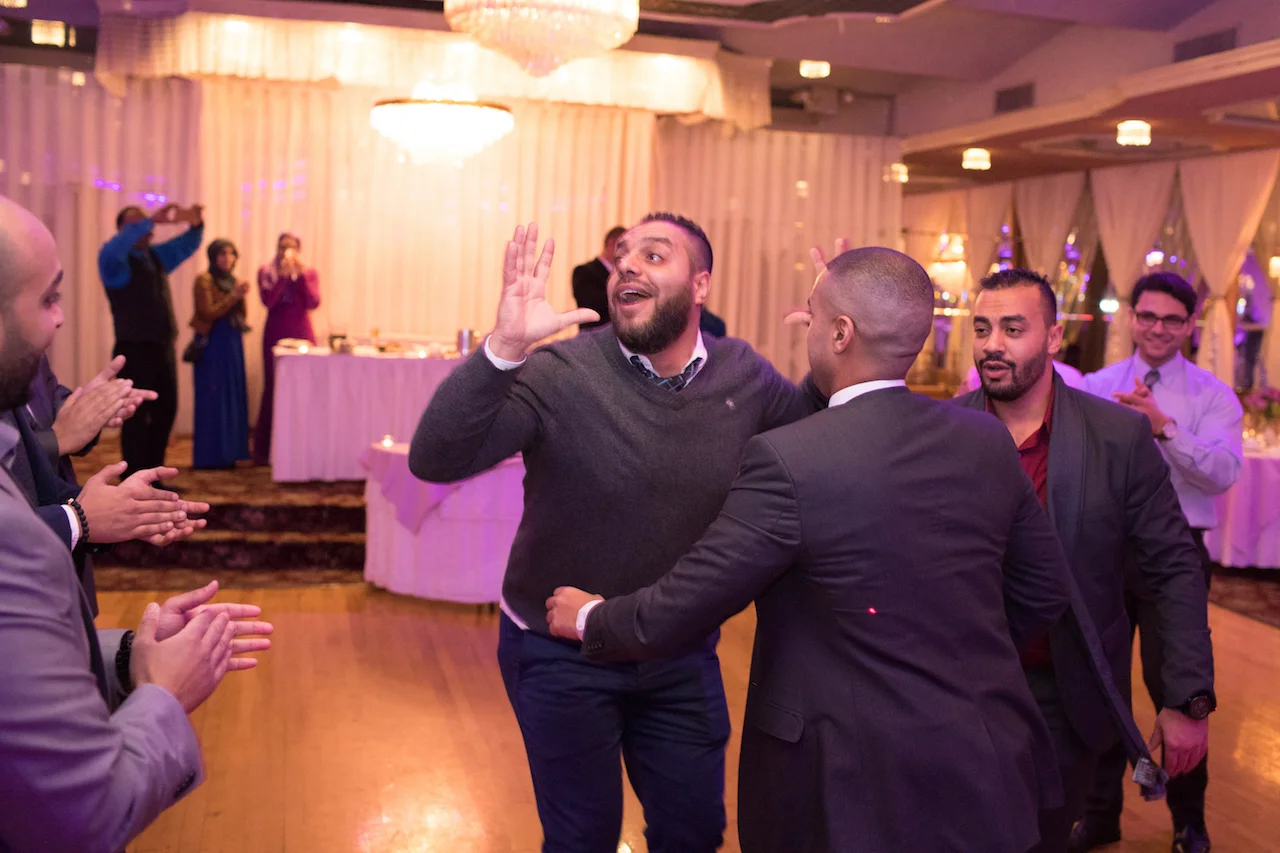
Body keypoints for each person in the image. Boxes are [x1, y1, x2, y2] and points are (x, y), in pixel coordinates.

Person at [544, 247, 1076, 852]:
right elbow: (1044, 586)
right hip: (982, 758)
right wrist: (954, 655)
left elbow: (687, 603)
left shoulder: (790, 459)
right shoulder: (983, 438)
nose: (810, 332)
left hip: (850, 777)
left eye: (815, 317)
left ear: (841, 334)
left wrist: (590, 617)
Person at [410, 215, 824, 853]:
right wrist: (503, 349)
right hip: (557, 653)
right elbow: (436, 459)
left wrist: (836, 347)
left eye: (654, 255)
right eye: (623, 255)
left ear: (700, 285)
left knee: (693, 833)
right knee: (582, 839)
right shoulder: (560, 372)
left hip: (678, 652)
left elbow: (818, 447)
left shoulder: (743, 374)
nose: (627, 264)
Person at [0, 193, 273, 852]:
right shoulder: (120, 256)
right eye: (48, 298)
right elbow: (86, 815)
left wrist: (126, 654)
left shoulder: (151, 261)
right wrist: (163, 691)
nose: (61, 318)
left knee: (153, 424)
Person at [954, 269, 1216, 853]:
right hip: (959, 687)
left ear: (1053, 338)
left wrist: (1187, 698)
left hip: (1063, 691)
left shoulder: (1117, 437)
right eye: (983, 328)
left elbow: (1173, 569)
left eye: (1013, 329)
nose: (992, 344)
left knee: (1039, 839)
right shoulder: (943, 429)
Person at [1073, 272, 1242, 853]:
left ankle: (1189, 823)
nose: (1158, 329)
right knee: (1098, 686)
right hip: (1103, 550)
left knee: (1179, 692)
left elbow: (1223, 473)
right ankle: (1099, 816)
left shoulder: (1212, 395)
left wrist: (1164, 428)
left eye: (1172, 320)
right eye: (1147, 316)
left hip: (1176, 556)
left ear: (1190, 325)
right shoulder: (1096, 386)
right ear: (1132, 316)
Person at [99, 203, 205, 479]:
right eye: (135, 224)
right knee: (135, 417)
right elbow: (110, 250)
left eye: (144, 223)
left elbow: (186, 245)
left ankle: (153, 479)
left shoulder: (154, 256)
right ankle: (133, 480)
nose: (145, 228)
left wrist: (196, 225)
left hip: (163, 348)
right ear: (122, 231)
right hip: (134, 350)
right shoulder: (114, 263)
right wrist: (150, 220)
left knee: (165, 411)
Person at [253, 232, 320, 467]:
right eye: (282, 246)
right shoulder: (266, 272)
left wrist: (299, 276)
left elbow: (313, 302)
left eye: (291, 247)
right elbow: (268, 301)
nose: (286, 251)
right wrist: (282, 277)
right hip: (276, 331)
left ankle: (303, 446)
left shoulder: (308, 272)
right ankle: (266, 450)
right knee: (274, 387)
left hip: (302, 332)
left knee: (305, 388)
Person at [190, 239, 251, 470]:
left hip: (232, 342)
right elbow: (208, 312)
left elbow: (242, 315)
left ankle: (230, 453)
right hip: (213, 343)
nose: (228, 259)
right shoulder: (204, 280)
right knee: (213, 396)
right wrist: (234, 296)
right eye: (222, 254)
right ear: (213, 257)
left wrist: (240, 296)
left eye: (231, 254)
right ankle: (209, 456)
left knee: (232, 395)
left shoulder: (233, 281)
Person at [571, 225, 624, 330]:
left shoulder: (624, 274)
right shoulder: (584, 271)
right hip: (593, 335)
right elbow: (590, 303)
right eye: (624, 246)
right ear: (612, 243)